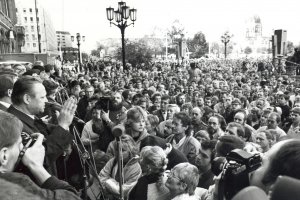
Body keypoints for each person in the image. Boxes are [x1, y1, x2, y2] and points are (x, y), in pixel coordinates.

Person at [0, 111, 81, 200]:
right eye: (19, 144)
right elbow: (72, 197)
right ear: (4, 155)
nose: (23, 148)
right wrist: (36, 167)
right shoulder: (17, 185)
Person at [8, 76, 76, 177]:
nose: (46, 101)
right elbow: (39, 160)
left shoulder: (25, 117)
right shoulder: (13, 125)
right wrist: (63, 125)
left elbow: (45, 130)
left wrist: (63, 125)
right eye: (42, 97)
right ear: (27, 99)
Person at [99, 134, 141, 200]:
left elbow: (124, 191)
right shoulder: (113, 161)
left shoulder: (136, 168)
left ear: (130, 151)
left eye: (123, 150)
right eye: (116, 149)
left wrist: (108, 181)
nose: (118, 152)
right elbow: (101, 177)